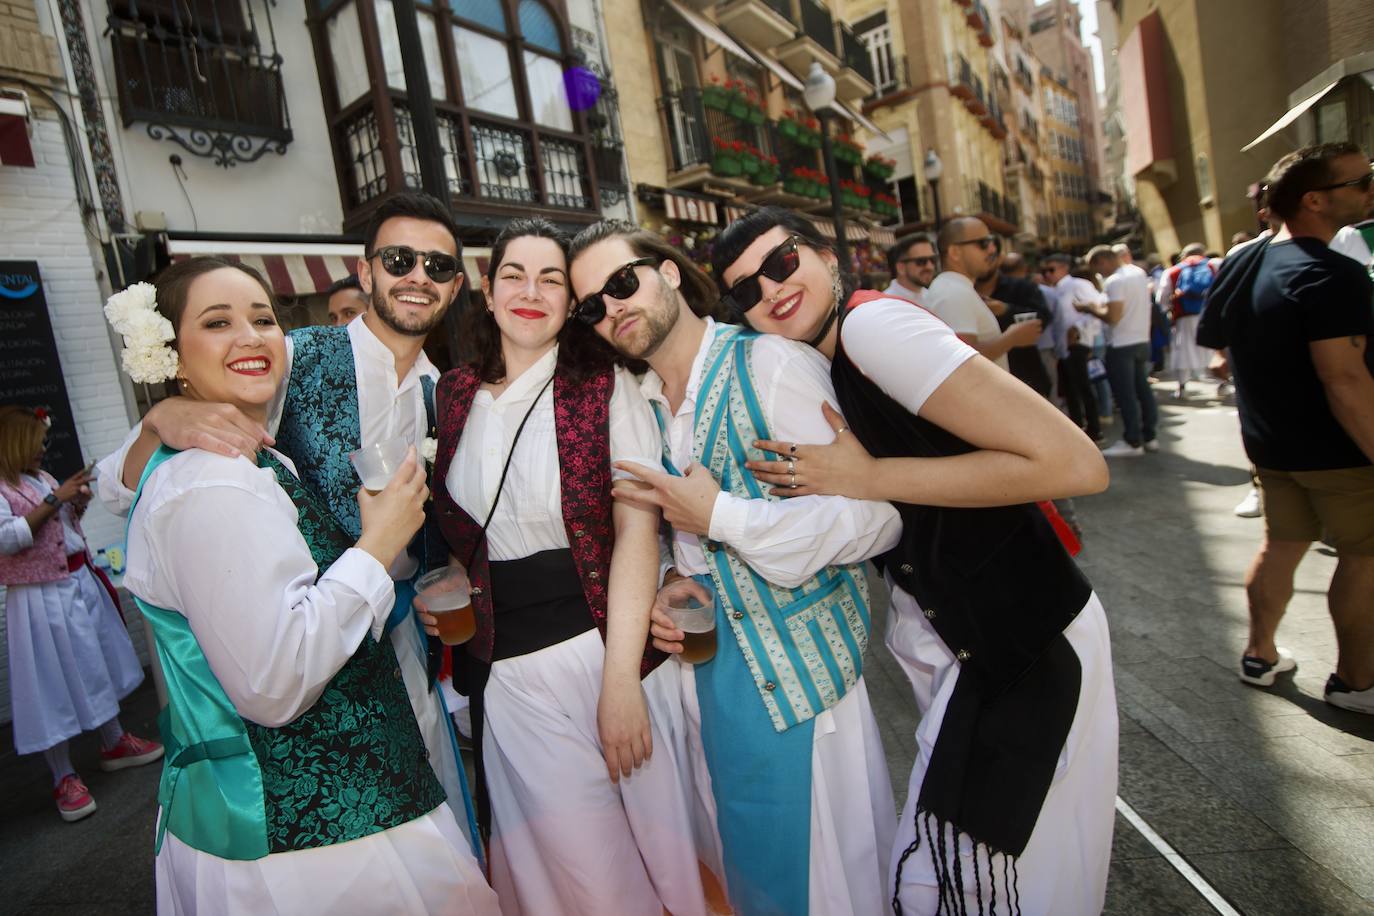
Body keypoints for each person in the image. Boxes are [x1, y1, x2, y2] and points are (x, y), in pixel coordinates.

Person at [709, 207, 1116, 916]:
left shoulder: (873, 327)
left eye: (782, 262)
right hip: (980, 641)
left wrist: (866, 478)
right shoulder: (838, 351)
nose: (770, 291)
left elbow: (1074, 462)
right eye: (745, 290)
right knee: (993, 882)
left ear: (828, 254)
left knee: (975, 883)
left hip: (1025, 644)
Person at [110, 257, 498, 914]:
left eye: (263, 319)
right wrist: (377, 548)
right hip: (308, 839)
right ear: (173, 352)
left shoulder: (252, 456)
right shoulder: (211, 481)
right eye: (217, 322)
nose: (251, 337)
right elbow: (274, 683)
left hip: (355, 790)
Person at [568, 220, 902, 916]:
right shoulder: (643, 404)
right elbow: (669, 533)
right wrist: (671, 578)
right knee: (746, 880)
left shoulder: (770, 365)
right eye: (593, 306)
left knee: (826, 886)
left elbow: (877, 518)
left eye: (622, 282)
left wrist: (721, 518)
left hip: (802, 686)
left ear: (665, 271)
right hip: (711, 683)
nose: (613, 307)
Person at [422, 219, 707, 915]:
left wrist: (619, 686)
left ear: (568, 302)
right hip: (510, 681)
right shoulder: (453, 395)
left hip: (597, 652)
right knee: (573, 877)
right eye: (515, 274)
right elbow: (471, 532)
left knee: (643, 866)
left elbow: (636, 531)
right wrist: (460, 576)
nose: (531, 291)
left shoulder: (604, 387)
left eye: (551, 279)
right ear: (487, 291)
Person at [1199, 143, 1374, 714]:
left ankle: (1260, 653)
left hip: (1271, 445)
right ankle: (1355, 683)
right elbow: (1344, 380)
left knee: (1281, 545)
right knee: (1364, 556)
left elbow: (1218, 349)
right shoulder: (1333, 274)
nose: (1370, 190)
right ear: (1316, 199)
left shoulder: (1245, 260)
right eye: (1361, 181)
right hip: (1340, 451)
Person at [0, 406, 162, 822]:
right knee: (50, 683)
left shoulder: (44, 480)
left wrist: (77, 504)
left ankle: (113, 741)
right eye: (35, 444)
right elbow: (10, 538)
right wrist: (57, 500)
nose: (42, 451)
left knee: (95, 665)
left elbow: (63, 531)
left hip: (77, 582)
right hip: (38, 596)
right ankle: (63, 774)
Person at [925, 218, 1042, 371]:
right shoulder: (953, 292)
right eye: (983, 243)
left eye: (992, 241)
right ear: (955, 252)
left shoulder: (955, 288)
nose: (992, 250)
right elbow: (962, 361)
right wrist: (1011, 338)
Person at [1091, 245, 1160, 456]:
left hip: (1121, 344)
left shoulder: (1115, 281)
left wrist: (1090, 309)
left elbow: (1113, 316)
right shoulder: (1138, 273)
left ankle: (1132, 441)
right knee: (1143, 391)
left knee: (1126, 394)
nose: (1098, 274)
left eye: (1096, 268)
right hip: (1141, 340)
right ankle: (1149, 437)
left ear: (1104, 261)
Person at [1041, 253, 1103, 441]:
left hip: (1078, 343)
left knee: (1083, 387)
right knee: (1069, 389)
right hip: (1062, 347)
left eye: (1051, 270)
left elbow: (1097, 308)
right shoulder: (1054, 290)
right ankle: (1078, 428)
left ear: (1064, 268)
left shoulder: (1078, 285)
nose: (1048, 275)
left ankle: (1094, 429)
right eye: (1044, 271)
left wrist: (1078, 329)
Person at [975, 249, 1053, 396]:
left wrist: (1006, 310)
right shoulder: (962, 291)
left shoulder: (1022, 287)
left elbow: (1042, 318)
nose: (984, 261)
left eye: (989, 256)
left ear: (998, 259)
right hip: (984, 384)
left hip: (1026, 378)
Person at [1158, 242, 1218, 399]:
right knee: (1212, 347)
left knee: (1183, 351)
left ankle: (1182, 387)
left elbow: (1162, 298)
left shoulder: (1173, 271)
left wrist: (1169, 309)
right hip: (1209, 314)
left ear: (1184, 255)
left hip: (1183, 317)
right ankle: (1220, 381)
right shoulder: (1213, 265)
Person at [883, 233, 938, 305]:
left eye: (933, 259)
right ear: (901, 268)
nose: (930, 266)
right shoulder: (887, 303)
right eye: (921, 261)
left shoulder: (930, 296)